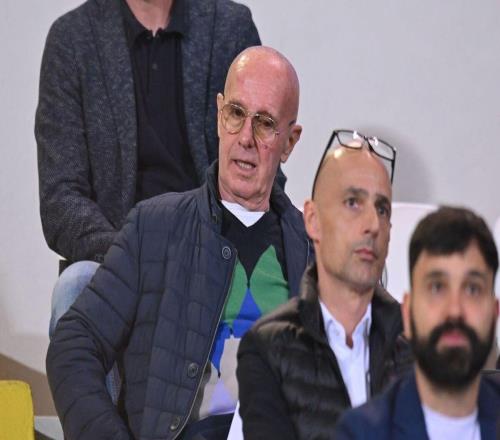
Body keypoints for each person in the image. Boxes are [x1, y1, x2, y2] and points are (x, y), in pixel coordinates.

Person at [46, 46, 309, 440]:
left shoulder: (315, 250)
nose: (245, 138)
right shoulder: (154, 228)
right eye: (236, 114)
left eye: (265, 123)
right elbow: (74, 344)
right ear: (219, 115)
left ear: (289, 141)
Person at [35, 0, 261, 336]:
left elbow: (262, 165)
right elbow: (61, 199)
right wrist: (131, 256)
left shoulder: (230, 27)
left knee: (284, 292)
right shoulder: (72, 39)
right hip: (114, 259)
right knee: (75, 287)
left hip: (213, 253)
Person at [236, 130, 412, 439]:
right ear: (312, 220)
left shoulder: (418, 346)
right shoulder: (268, 349)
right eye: (353, 202)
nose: (372, 224)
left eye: (382, 209)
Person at [335, 206, 500, 440]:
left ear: (494, 313)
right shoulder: (361, 433)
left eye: (472, 289)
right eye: (437, 287)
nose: (455, 310)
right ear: (408, 312)